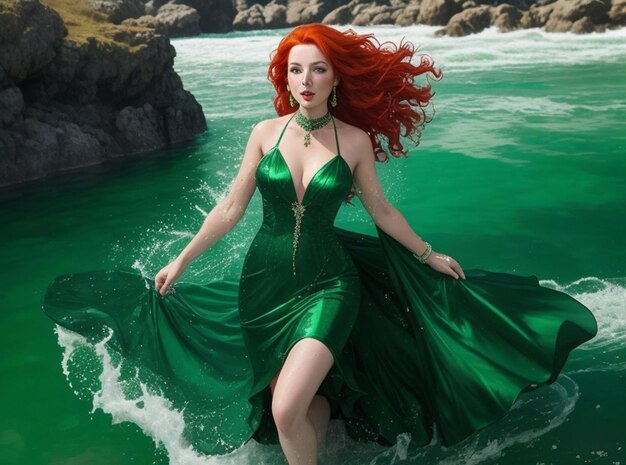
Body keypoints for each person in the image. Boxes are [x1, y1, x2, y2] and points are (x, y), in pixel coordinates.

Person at [43, 23, 598, 465]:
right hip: (262, 287)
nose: (305, 80)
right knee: (295, 408)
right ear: (285, 78)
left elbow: (381, 212)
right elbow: (232, 209)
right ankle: (324, 407)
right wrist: (181, 261)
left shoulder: (353, 141)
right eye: (295, 70)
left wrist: (428, 254)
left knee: (285, 407)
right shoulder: (266, 132)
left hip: (330, 286)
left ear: (336, 78)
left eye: (317, 69)